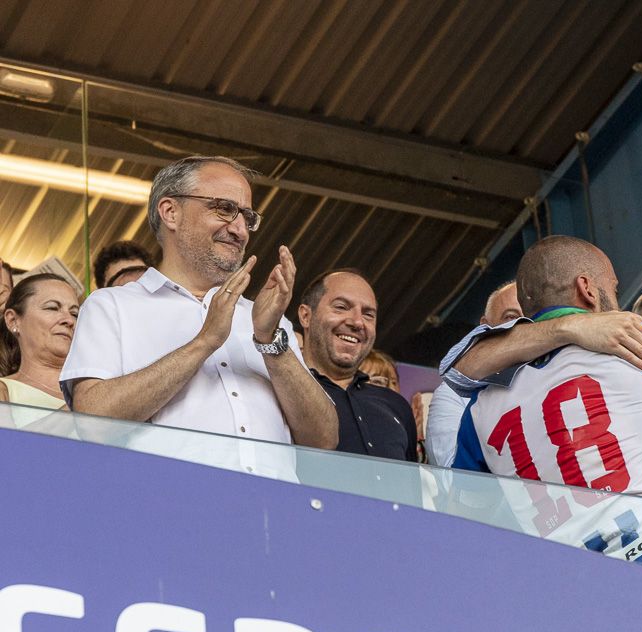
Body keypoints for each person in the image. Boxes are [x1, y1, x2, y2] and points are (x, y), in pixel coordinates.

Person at [61, 155, 337, 480]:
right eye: (224, 208)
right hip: (169, 503)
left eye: (247, 216)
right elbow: (92, 423)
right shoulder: (112, 305)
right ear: (170, 212)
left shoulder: (266, 318)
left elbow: (324, 440)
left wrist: (269, 341)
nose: (239, 230)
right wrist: (205, 342)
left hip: (274, 507)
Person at [443, 251, 642, 526]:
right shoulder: (634, 343)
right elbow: (457, 366)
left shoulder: (482, 404)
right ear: (587, 290)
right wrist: (574, 325)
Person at [298, 269, 417, 462]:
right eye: (341, 307)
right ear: (306, 316)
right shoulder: (281, 391)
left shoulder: (396, 405)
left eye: (368, 314)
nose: (357, 322)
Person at [426, 280, 522, 466]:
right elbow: (452, 475)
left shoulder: (558, 377)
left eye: (532, 317)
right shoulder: (453, 394)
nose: (524, 326)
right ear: (485, 326)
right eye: (511, 317)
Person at [0, 274, 78, 411]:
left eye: (75, 314)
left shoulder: (97, 385)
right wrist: (84, 405)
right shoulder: (4, 390)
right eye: (52, 308)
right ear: (13, 320)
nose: (69, 320)